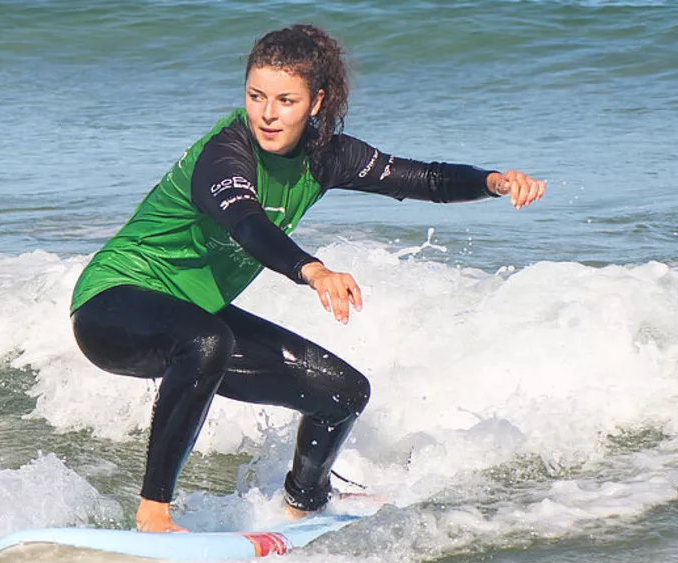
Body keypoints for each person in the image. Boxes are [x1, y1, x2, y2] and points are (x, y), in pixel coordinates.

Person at [70, 24, 546, 533]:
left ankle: (303, 503)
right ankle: (154, 513)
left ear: (316, 102)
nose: (268, 114)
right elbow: (249, 226)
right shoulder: (224, 155)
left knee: (342, 395)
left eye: (285, 100)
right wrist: (312, 270)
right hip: (113, 304)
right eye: (256, 96)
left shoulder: (326, 156)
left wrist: (493, 182)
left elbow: (422, 178)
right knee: (208, 340)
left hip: (193, 316)